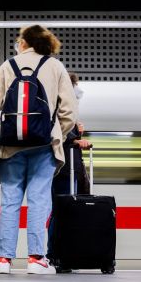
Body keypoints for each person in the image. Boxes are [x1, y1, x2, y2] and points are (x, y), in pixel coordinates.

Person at [0, 25, 78, 275]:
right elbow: (69, 113)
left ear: (24, 42)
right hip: (44, 147)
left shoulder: (8, 65)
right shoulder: (55, 67)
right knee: (39, 200)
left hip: (10, 146)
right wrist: (56, 134)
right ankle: (36, 259)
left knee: (10, 201)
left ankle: (4, 261)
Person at [46, 73, 92, 267]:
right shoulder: (57, 110)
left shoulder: (64, 111)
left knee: (61, 212)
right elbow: (55, 138)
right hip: (63, 170)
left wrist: (77, 134)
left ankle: (60, 253)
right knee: (61, 212)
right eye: (75, 86)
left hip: (68, 169)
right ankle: (55, 254)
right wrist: (75, 140)